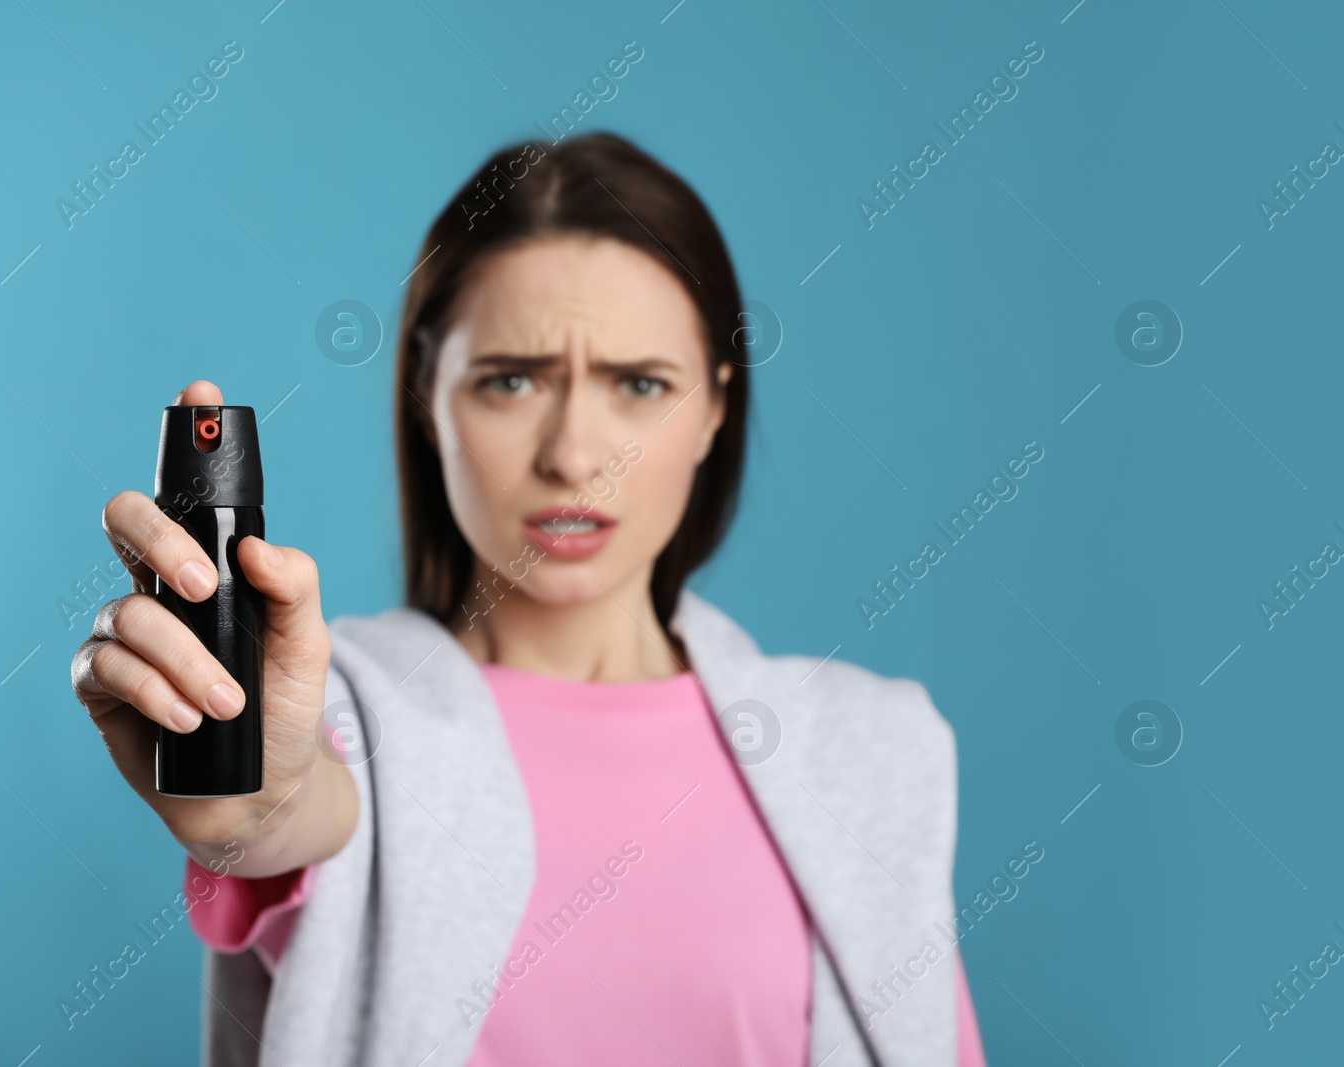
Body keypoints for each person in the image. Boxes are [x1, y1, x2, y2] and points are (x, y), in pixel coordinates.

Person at [71, 132, 986, 1067]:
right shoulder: (336, 713)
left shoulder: (867, 753)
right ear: (430, 396)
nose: (577, 455)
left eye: (640, 384)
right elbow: (299, 804)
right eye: (512, 380)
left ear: (715, 406)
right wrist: (255, 798)